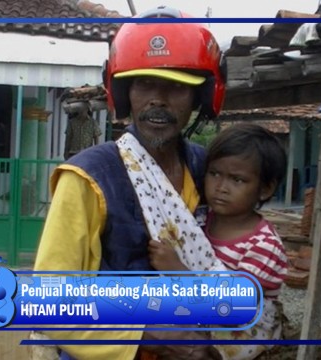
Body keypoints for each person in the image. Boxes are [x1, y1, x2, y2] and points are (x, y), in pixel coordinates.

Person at [31, 5, 226, 360]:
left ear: (201, 96)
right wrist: (148, 335)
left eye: (178, 86)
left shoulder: (205, 170)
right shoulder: (87, 178)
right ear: (123, 93)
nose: (158, 99)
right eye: (144, 83)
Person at [148, 123, 289, 360]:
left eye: (237, 180)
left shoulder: (264, 246)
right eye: (214, 174)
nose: (221, 187)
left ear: (264, 189)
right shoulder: (198, 220)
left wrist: (177, 271)